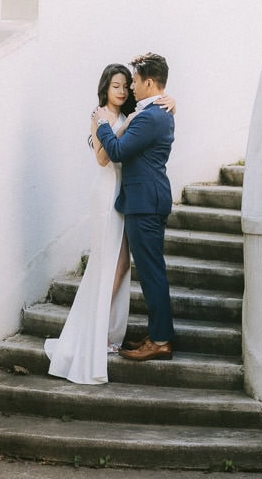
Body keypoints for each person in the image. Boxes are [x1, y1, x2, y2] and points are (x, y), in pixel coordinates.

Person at [44, 63, 174, 384]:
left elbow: (150, 116)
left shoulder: (141, 113)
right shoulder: (99, 115)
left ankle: (108, 331)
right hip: (109, 195)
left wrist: (170, 100)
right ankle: (94, 331)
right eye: (116, 85)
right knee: (110, 266)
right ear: (105, 88)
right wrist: (107, 125)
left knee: (122, 266)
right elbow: (105, 158)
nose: (123, 90)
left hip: (130, 196)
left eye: (126, 85)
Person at [95, 52, 175, 362]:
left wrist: (103, 124)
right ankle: (160, 332)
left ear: (150, 82)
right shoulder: (156, 112)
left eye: (136, 81)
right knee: (153, 270)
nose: (132, 85)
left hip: (145, 203)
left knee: (152, 272)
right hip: (146, 200)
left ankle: (160, 340)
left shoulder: (151, 117)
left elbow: (115, 151)